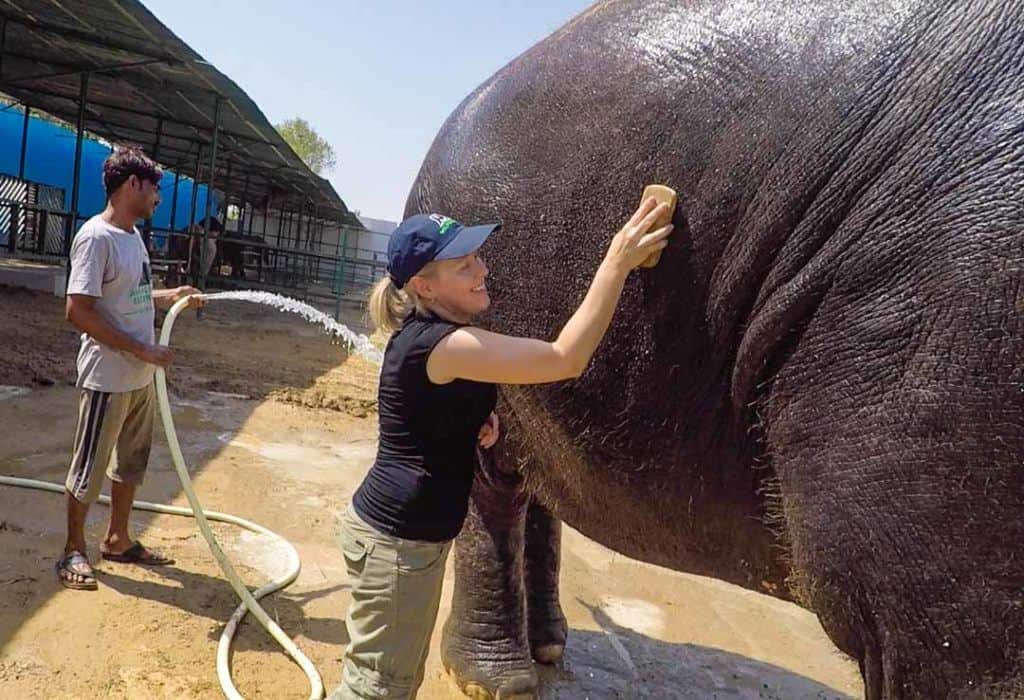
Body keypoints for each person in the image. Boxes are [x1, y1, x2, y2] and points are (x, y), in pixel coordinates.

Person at [332, 199, 673, 698]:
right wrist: (615, 263)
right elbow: (565, 357)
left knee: (393, 680)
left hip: (406, 539)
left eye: (477, 257)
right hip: (396, 546)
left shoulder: (439, 340)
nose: (481, 269)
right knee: (377, 689)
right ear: (424, 287)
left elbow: (424, 413)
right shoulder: (444, 345)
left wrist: (473, 422)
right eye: (463, 266)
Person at [56, 146, 204, 590]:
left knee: (130, 464)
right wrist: (141, 349)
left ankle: (118, 539)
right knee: (89, 467)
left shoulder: (133, 236)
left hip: (138, 376)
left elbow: (131, 295)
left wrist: (169, 295)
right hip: (108, 376)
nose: (158, 197)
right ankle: (72, 550)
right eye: (154, 188)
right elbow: (78, 310)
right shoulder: (95, 238)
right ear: (132, 186)